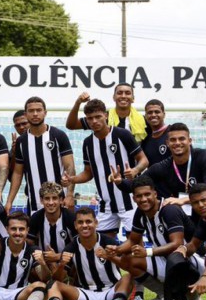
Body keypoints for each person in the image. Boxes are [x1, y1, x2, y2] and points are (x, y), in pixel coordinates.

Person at [113, 122, 206, 300]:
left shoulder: (204, 157)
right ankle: (176, 296)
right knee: (186, 251)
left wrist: (182, 200)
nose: (177, 143)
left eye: (181, 139)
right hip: (189, 215)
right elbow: (139, 185)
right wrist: (120, 182)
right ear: (167, 143)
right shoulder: (164, 166)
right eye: (173, 140)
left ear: (190, 140)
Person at [106, 176, 206, 300]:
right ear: (134, 198)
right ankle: (169, 296)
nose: (143, 199)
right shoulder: (140, 212)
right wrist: (117, 249)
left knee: (177, 259)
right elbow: (133, 240)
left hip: (192, 259)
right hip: (166, 258)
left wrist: (148, 252)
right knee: (128, 260)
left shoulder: (169, 210)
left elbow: (177, 244)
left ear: (155, 194)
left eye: (147, 194)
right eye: (139, 196)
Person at [62, 98, 149, 238]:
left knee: (135, 245)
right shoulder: (88, 143)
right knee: (103, 246)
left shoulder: (122, 134)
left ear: (106, 115)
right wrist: (73, 179)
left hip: (129, 202)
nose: (94, 121)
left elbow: (144, 160)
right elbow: (88, 173)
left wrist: (135, 170)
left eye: (98, 117)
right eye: (90, 118)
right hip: (106, 205)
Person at [41, 207, 133, 300]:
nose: (84, 225)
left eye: (88, 221)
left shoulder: (108, 242)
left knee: (128, 277)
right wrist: (61, 265)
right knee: (54, 284)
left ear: (96, 223)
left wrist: (110, 257)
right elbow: (58, 279)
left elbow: (128, 266)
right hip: (85, 294)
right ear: (75, 225)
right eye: (80, 222)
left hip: (111, 292)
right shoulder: (71, 247)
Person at [6, 96, 75, 214]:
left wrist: (69, 195)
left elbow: (70, 167)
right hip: (35, 203)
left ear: (45, 113)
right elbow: (18, 173)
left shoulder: (58, 135)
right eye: (31, 111)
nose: (35, 114)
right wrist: (9, 201)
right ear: (26, 114)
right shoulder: (21, 141)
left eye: (38, 110)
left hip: (60, 200)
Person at [66, 84, 148, 143]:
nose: (123, 96)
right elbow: (71, 125)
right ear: (114, 97)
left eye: (127, 93)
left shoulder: (143, 121)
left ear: (133, 98)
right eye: (119, 93)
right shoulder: (102, 118)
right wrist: (78, 103)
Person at [27, 182, 76, 258]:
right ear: (41, 200)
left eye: (54, 198)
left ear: (61, 200)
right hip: (44, 260)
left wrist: (57, 256)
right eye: (47, 198)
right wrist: (40, 255)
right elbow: (30, 242)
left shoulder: (70, 217)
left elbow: (80, 245)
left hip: (68, 260)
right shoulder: (36, 217)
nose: (51, 203)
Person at [140, 99, 171, 164]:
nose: (153, 115)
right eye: (150, 112)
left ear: (164, 114)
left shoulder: (173, 133)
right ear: (145, 116)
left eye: (157, 112)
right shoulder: (145, 139)